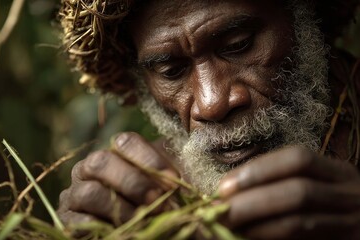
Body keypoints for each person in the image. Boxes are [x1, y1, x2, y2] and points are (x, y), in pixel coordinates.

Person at [56, 0, 360, 238]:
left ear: (304, 18)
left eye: (238, 45)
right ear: (142, 81)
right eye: (171, 71)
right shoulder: (151, 191)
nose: (211, 104)